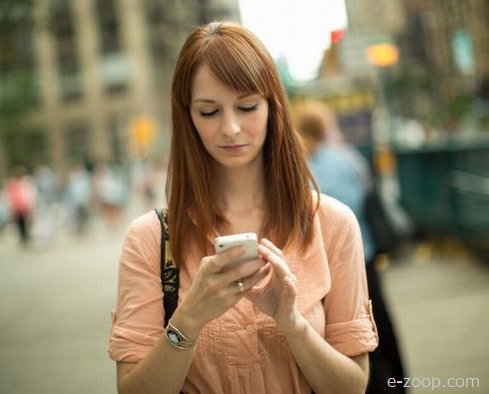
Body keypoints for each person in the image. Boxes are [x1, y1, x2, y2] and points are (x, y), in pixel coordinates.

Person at [109, 22, 378, 394]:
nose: (231, 128)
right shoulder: (149, 239)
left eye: (247, 106)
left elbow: (352, 386)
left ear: (273, 108)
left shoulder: (332, 223)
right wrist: (189, 320)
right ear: (187, 116)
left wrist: (292, 322)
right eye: (209, 112)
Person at [297, 100, 406, 394]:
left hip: (335, 264)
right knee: (381, 325)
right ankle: (399, 382)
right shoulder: (347, 157)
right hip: (366, 254)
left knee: (353, 336)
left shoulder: (308, 167)